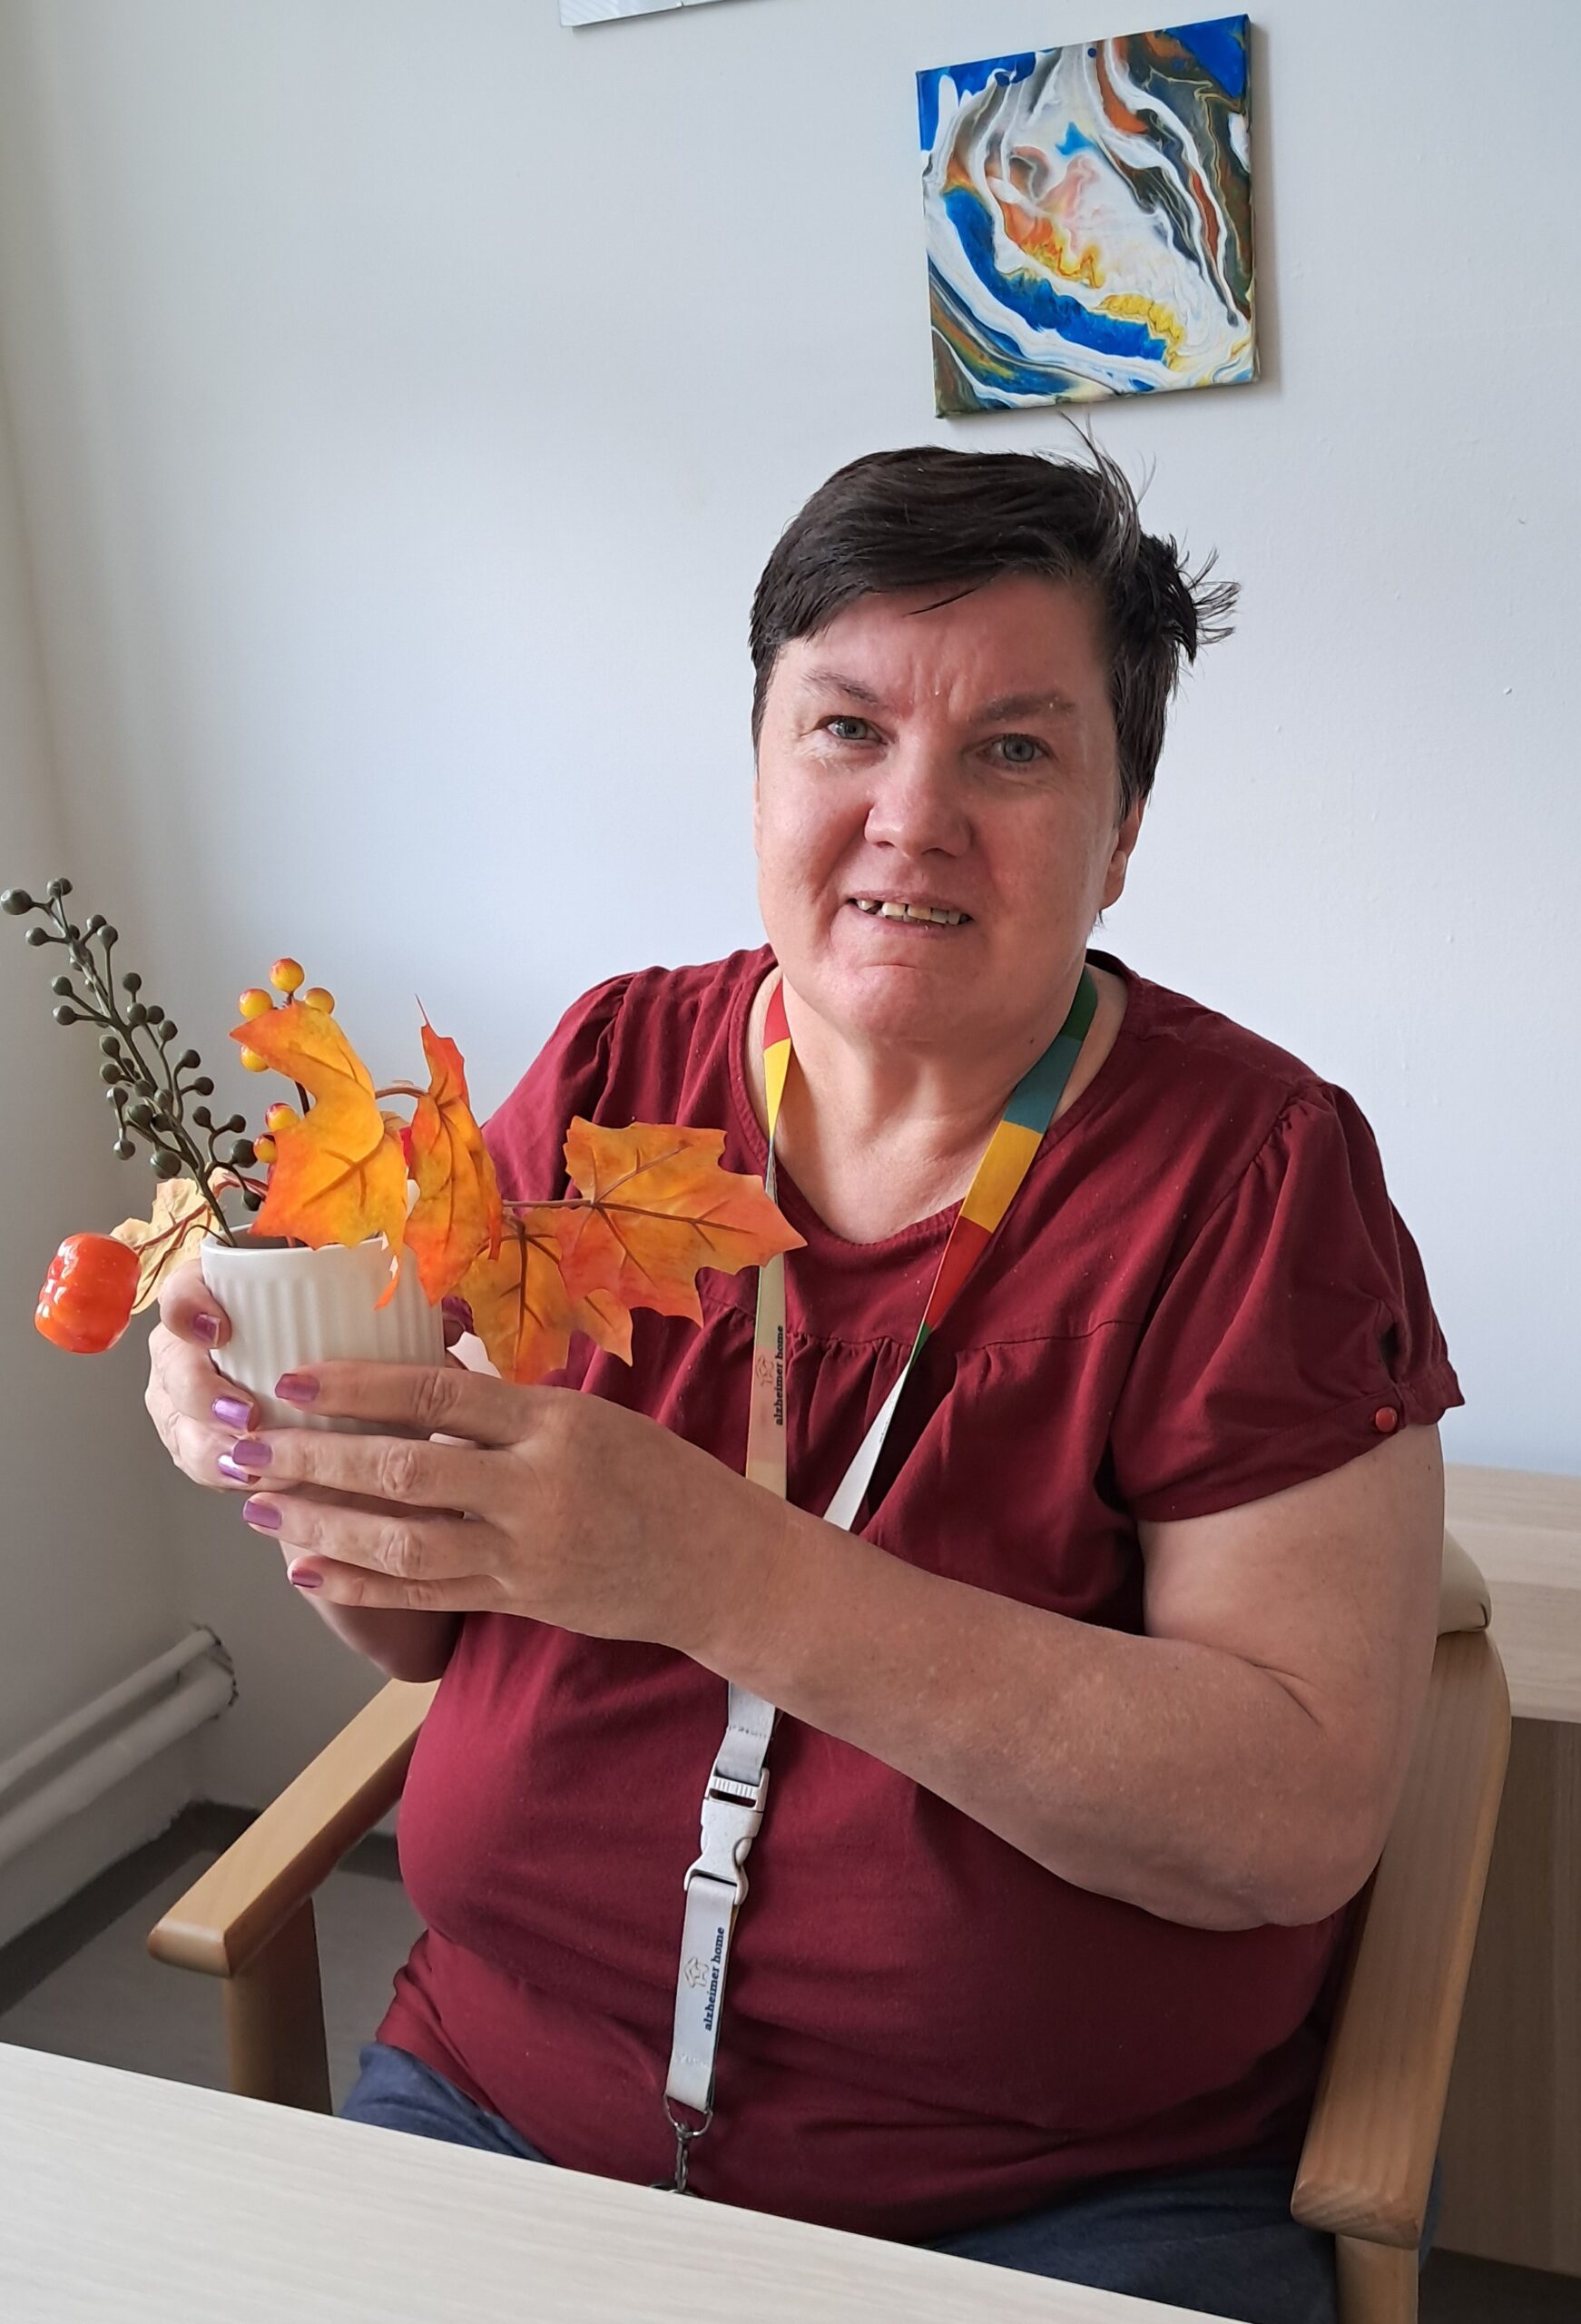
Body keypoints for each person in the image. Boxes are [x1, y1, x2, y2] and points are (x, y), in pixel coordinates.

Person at [145, 446, 1457, 2324]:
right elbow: (422, 1626)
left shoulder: (1255, 1177)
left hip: (1051, 2199)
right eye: (847, 729)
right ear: (762, 768)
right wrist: (291, 1452)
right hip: (510, 2102)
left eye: (1014, 750)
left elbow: (1293, 1813)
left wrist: (717, 1568)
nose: (912, 820)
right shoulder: (614, 1067)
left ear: (1122, 828)